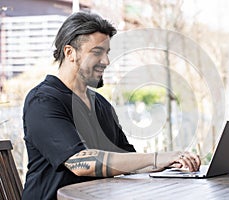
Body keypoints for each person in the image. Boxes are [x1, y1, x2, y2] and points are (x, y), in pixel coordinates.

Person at [22, 12, 201, 200]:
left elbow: (127, 160)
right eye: (97, 52)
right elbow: (80, 162)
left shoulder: (100, 104)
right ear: (70, 53)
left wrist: (172, 162)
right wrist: (156, 158)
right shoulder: (43, 101)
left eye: (107, 53)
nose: (106, 61)